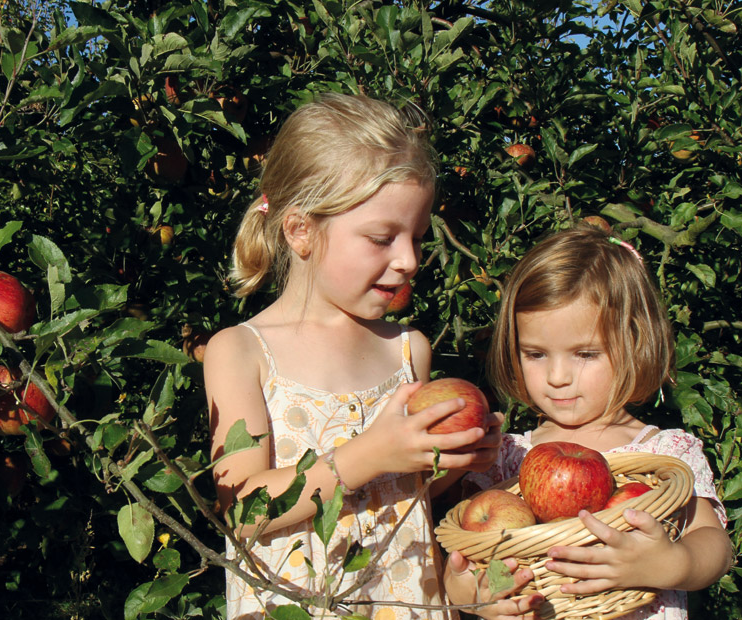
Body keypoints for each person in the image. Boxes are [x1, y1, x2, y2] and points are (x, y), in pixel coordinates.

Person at [204, 93, 503, 620]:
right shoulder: (242, 351)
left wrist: (454, 462)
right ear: (301, 230)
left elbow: (407, 500)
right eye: (382, 238)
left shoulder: (407, 349)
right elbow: (244, 510)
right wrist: (370, 455)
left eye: (415, 237)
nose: (409, 259)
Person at [454, 226, 733, 620]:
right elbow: (464, 556)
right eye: (535, 354)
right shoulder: (508, 457)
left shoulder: (664, 453)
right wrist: (470, 593)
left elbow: (715, 545)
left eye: (585, 354)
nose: (557, 376)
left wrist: (673, 564)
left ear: (635, 344)